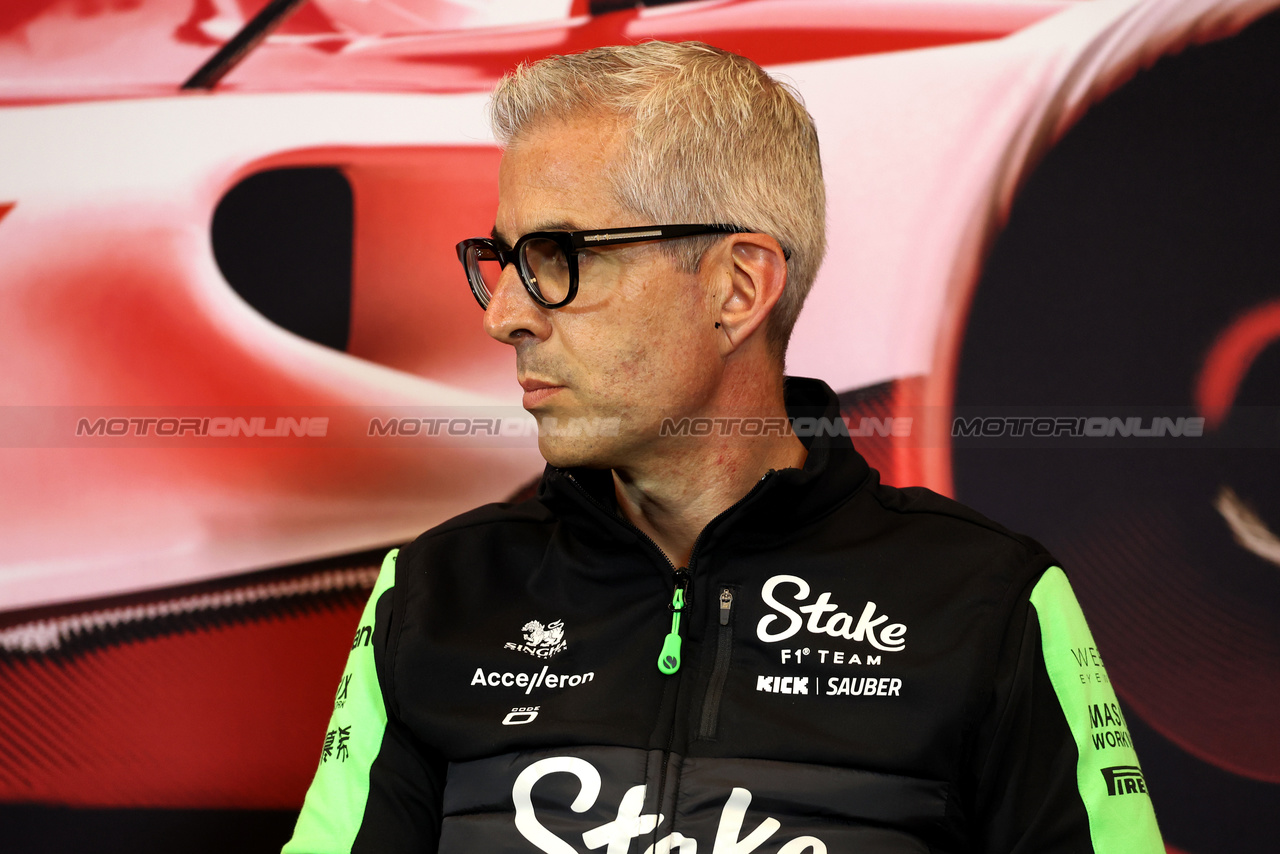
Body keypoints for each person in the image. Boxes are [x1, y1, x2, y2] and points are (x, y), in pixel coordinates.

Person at [284, 42, 1163, 853]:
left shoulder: (993, 602)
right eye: (502, 259)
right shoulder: (435, 594)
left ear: (738, 290)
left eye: (556, 256)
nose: (503, 314)